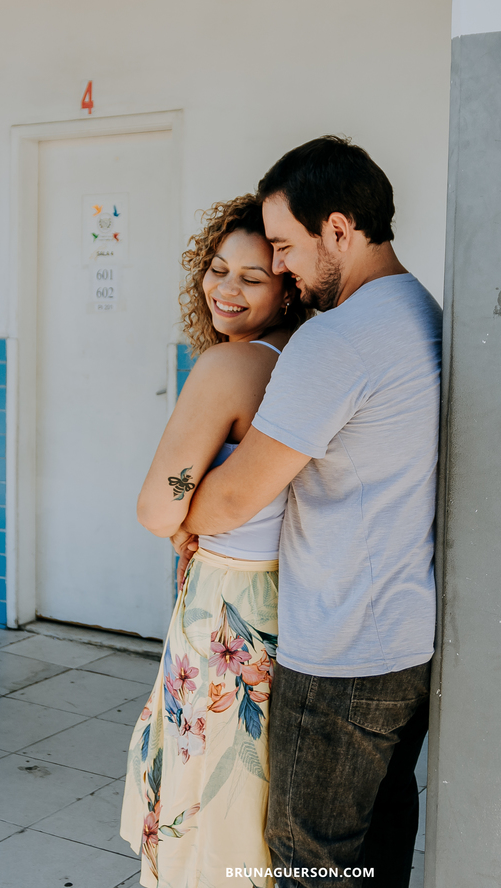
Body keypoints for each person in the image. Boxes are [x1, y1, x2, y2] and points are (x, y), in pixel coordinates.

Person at [181, 137, 442, 888]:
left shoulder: (338, 339)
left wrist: (176, 513)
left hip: (339, 651)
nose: (285, 267)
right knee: (378, 844)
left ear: (338, 228)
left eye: (287, 247)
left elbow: (234, 495)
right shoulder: (418, 308)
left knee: (310, 861)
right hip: (402, 637)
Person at [120, 195, 305, 888]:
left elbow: (152, 507)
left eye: (252, 278)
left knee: (206, 793)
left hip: (225, 603)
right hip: (288, 600)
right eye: (218, 269)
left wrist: (186, 518)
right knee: (253, 795)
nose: (226, 290)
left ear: (288, 284)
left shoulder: (229, 369)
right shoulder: (307, 354)